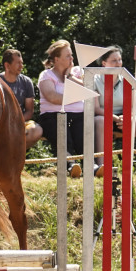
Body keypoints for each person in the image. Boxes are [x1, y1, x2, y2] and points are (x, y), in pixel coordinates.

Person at [94, 46, 136, 176]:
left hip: (124, 116)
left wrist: (127, 118)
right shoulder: (95, 80)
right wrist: (116, 118)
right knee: (99, 121)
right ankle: (101, 166)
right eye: (114, 60)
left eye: (119, 60)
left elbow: (132, 106)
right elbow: (96, 108)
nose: (118, 63)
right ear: (104, 63)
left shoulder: (127, 78)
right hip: (103, 116)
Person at [37, 40, 85, 178]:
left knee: (82, 136)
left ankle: (91, 166)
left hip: (78, 115)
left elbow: (89, 89)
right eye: (68, 56)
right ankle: (70, 165)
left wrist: (70, 76)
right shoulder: (46, 75)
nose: (72, 58)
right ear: (56, 59)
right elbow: (52, 97)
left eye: (71, 55)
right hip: (53, 116)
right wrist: (78, 95)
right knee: (63, 134)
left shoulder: (77, 72)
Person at [0, 48, 43, 149]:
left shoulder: (26, 82)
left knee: (37, 130)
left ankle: (16, 154)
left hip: (20, 122)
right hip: (0, 123)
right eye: (18, 63)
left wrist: (16, 122)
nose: (21, 66)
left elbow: (29, 111)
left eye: (22, 63)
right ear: (7, 65)